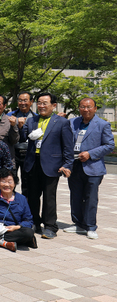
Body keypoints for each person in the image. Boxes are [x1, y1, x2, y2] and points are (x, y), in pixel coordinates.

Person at [24, 92, 73, 239]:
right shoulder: (32, 120)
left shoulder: (62, 122)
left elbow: (68, 147)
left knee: (49, 197)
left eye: (45, 103)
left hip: (52, 164)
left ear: (54, 105)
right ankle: (34, 223)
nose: (41, 106)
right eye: (39, 103)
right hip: (33, 163)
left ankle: (50, 226)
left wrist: (67, 164)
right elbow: (23, 136)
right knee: (32, 196)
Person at [65, 97, 114, 239]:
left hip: (93, 167)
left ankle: (91, 226)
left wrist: (90, 154)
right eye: (82, 107)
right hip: (74, 166)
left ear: (95, 108)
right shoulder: (72, 122)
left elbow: (109, 145)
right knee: (75, 196)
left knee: (91, 197)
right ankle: (78, 224)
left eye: (89, 107)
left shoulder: (102, 124)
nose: (85, 109)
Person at [8, 92, 37, 191]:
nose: (22, 103)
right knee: (11, 180)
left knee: (28, 183)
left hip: (29, 153)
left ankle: (26, 204)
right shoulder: (10, 116)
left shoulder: (36, 117)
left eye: (25, 100)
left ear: (31, 101)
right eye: (20, 100)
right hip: (13, 153)